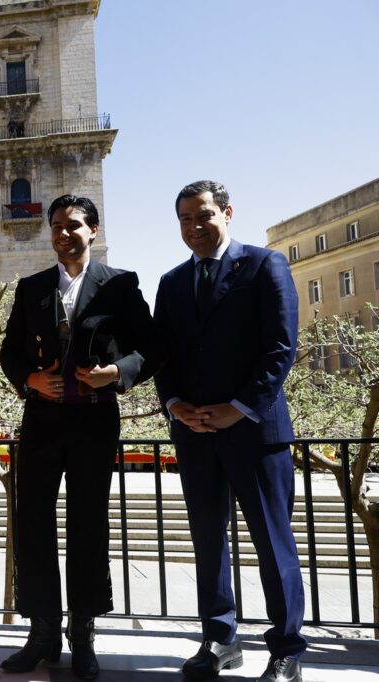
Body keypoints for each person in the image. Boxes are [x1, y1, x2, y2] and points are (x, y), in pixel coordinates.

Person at [0, 195, 157, 680]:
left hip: (93, 421)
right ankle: (42, 634)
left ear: (93, 230)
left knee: (88, 526)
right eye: (56, 226)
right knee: (34, 528)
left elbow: (151, 349)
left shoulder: (121, 285)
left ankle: (83, 635)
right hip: (42, 422)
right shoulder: (31, 288)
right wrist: (29, 380)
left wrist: (117, 372)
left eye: (73, 226)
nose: (63, 234)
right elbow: (10, 354)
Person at [154, 180, 305, 682]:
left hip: (255, 433)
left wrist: (239, 408)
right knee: (208, 544)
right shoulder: (172, 282)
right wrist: (175, 405)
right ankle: (220, 639)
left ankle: (287, 650)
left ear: (227, 212)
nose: (194, 228)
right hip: (195, 434)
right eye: (184, 220)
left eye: (203, 216)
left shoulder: (265, 265)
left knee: (273, 544)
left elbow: (281, 347)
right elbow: (165, 356)